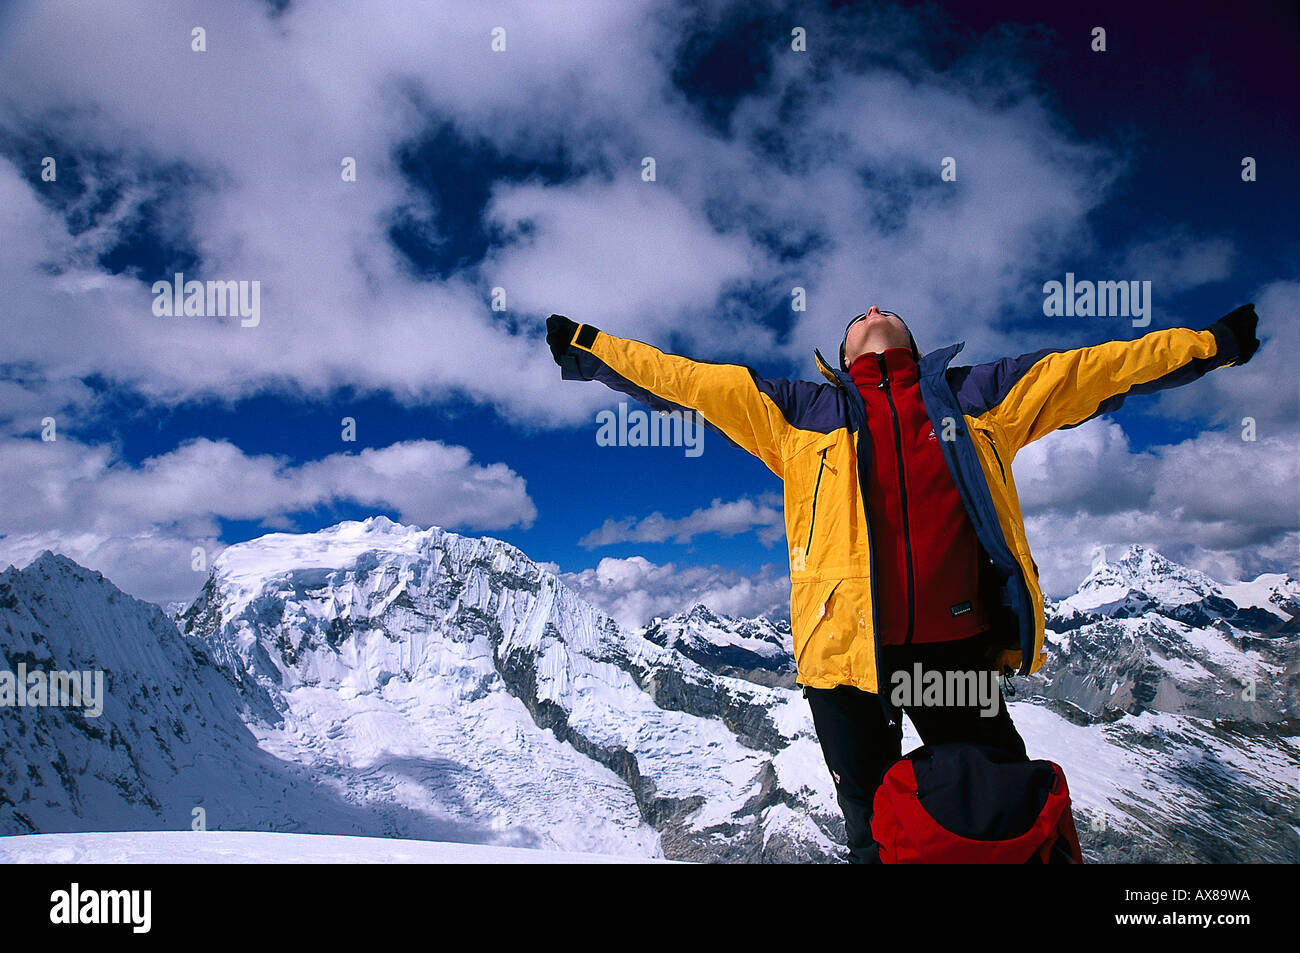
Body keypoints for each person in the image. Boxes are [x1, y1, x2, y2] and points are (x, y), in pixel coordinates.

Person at [545, 302, 1261, 862]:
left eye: (881, 313)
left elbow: (1100, 369)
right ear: (841, 353)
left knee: (999, 805)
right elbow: (687, 380)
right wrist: (589, 347)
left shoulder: (976, 394)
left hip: (950, 656)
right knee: (872, 831)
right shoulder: (799, 410)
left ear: (911, 345)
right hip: (845, 665)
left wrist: (1213, 345)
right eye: (857, 316)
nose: (872, 307)